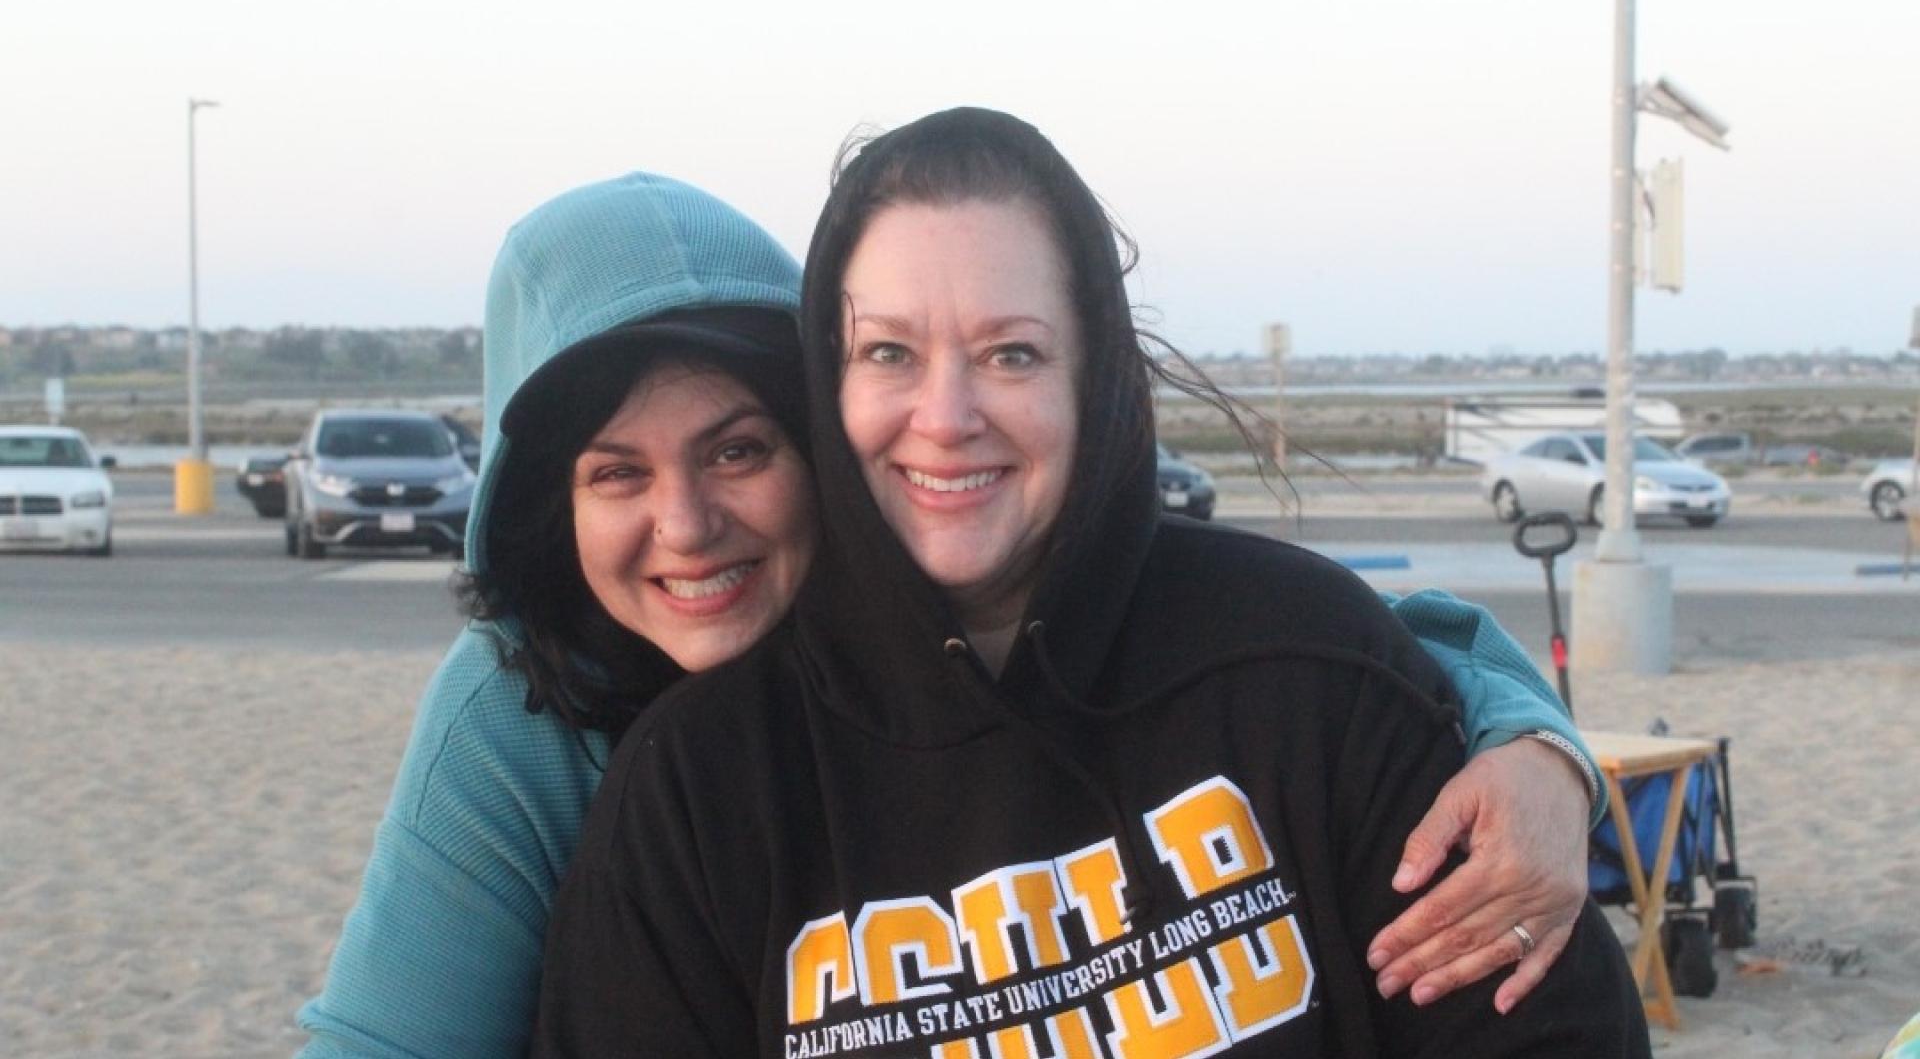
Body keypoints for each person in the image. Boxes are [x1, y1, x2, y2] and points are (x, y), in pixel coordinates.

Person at [299, 170, 1599, 1058]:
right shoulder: (524, 716)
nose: (686, 527)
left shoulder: (976, 604)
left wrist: (1538, 752)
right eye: (615, 475)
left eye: (740, 450)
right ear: (549, 509)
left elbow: (1338, 653)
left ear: (826, 438)